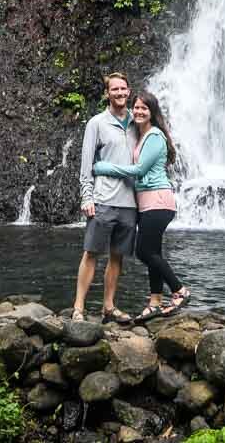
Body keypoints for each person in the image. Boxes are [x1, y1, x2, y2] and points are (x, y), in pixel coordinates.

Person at [93, 89, 191, 321]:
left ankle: (179, 290)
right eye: (135, 107)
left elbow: (139, 170)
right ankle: (155, 301)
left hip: (158, 202)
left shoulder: (155, 136)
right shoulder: (142, 134)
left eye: (143, 108)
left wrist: (103, 167)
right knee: (153, 252)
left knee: (144, 252)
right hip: (148, 204)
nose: (138, 111)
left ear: (152, 111)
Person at [71, 71, 138, 323]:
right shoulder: (96, 123)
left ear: (129, 91)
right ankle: (78, 307)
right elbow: (86, 164)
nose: (119, 93)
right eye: (115, 90)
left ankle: (108, 307)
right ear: (107, 93)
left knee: (117, 256)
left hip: (130, 202)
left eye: (123, 89)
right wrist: (86, 197)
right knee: (91, 253)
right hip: (103, 199)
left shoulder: (138, 122)